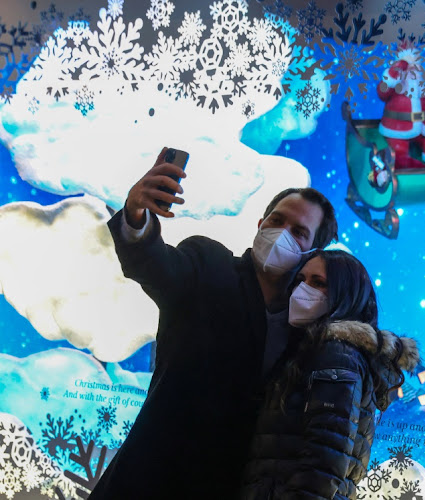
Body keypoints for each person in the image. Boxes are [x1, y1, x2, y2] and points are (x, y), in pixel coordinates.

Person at [89, 148, 338, 499]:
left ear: (312, 252)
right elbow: (153, 263)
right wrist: (135, 213)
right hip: (151, 479)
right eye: (277, 220)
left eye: (298, 232)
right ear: (260, 223)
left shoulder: (309, 330)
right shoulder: (209, 264)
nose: (282, 234)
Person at [242, 249, 419, 499]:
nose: (302, 290)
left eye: (318, 283)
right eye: (300, 281)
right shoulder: (317, 351)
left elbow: (324, 461)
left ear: (346, 296)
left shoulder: (336, 353)